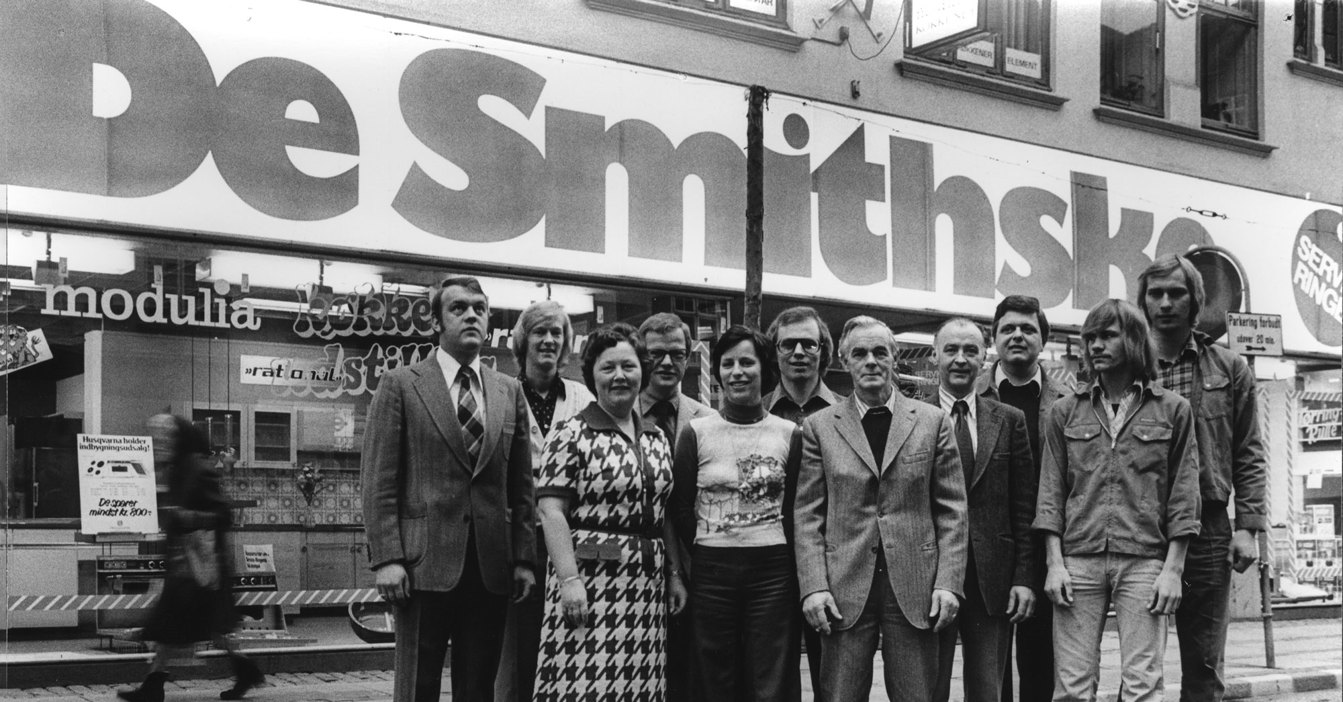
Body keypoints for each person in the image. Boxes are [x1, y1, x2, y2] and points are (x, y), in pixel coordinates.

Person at [361, 275, 536, 702]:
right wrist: (387, 558)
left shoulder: (508, 390)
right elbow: (379, 479)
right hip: (421, 567)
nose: (471, 315)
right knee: (417, 686)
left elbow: (522, 486)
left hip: (491, 566)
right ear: (437, 321)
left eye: (479, 307)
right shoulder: (402, 384)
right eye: (458, 308)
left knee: (478, 688)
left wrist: (524, 559)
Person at [1033, 299, 1202, 702]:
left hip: (1145, 559)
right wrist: (1054, 564)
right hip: (1078, 560)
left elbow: (1184, 493)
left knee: (1143, 685)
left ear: (1133, 340)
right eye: (1090, 337)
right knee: (1072, 687)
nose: (1095, 346)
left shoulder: (1173, 410)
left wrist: (1173, 570)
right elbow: (1051, 491)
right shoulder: (1064, 412)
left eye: (1107, 336)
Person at [794, 315, 968, 702]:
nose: (870, 361)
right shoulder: (819, 427)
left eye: (879, 352)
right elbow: (807, 515)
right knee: (840, 695)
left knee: (917, 695)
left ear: (894, 357)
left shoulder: (932, 422)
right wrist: (814, 587)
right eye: (860, 353)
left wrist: (948, 583)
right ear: (844, 361)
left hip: (915, 584)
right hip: (843, 586)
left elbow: (952, 510)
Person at [1136, 255, 1268, 702]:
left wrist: (1247, 528)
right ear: (1143, 302)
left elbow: (1248, 450)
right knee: (1138, 662)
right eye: (1157, 294)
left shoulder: (1229, 369)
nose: (1166, 303)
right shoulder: (1128, 367)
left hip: (1208, 527)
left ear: (1196, 300)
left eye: (1177, 293)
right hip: (1140, 524)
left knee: (1205, 664)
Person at [533, 322, 688, 700]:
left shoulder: (656, 437)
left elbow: (662, 512)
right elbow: (551, 511)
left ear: (642, 373)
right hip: (590, 583)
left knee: (638, 684)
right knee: (586, 683)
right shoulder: (571, 433)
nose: (619, 376)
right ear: (592, 376)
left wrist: (674, 574)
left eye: (629, 366)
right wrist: (569, 582)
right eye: (608, 368)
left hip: (645, 589)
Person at [670, 325, 803, 702]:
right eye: (727, 364)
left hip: (773, 571)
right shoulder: (696, 432)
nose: (737, 372)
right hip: (712, 569)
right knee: (714, 674)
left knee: (771, 674)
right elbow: (680, 506)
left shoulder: (789, 433)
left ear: (765, 371)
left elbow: (794, 509)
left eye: (747, 362)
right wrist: (709, 550)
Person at [117, 414, 263, 702]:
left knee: (179, 627)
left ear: (178, 439)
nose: (158, 443)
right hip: (189, 568)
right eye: (155, 438)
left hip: (201, 570)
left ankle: (155, 686)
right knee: (185, 627)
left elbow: (223, 514)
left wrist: (185, 517)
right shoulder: (178, 468)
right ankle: (157, 685)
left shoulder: (196, 467)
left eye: (163, 437)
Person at [928, 319, 1037, 702]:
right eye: (951, 350)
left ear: (984, 357)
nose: (960, 360)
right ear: (934, 356)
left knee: (988, 688)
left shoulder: (1008, 420)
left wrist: (1023, 576)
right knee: (930, 685)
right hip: (931, 574)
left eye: (970, 351)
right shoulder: (912, 418)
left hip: (992, 574)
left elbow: (1023, 506)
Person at [495, 300, 594, 702]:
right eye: (540, 332)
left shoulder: (584, 397)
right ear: (522, 342)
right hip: (518, 538)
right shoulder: (501, 392)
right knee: (518, 647)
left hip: (572, 538)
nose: (549, 340)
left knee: (570, 642)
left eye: (557, 333)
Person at [977, 295, 1069, 702]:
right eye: (1008, 328)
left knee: (1041, 662)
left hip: (1049, 543)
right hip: (989, 545)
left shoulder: (1069, 401)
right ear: (993, 339)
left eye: (1028, 329)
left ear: (1043, 341)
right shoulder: (971, 397)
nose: (1017, 335)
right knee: (989, 667)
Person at [635, 311, 714, 701]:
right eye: (656, 354)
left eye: (677, 354)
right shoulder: (620, 413)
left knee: (692, 675)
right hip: (636, 568)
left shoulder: (709, 419)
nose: (667, 363)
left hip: (698, 567)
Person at [765, 305, 841, 700]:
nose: (797, 352)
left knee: (832, 676)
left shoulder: (847, 413)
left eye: (808, 344)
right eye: (787, 344)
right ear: (775, 352)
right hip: (769, 562)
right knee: (773, 676)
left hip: (831, 562)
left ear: (822, 351)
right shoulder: (755, 411)